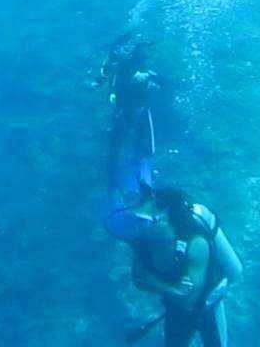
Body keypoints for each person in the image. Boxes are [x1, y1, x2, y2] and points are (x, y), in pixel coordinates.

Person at [112, 187, 243, 347]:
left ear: (163, 218)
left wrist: (159, 285)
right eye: (138, 220)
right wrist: (170, 289)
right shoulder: (143, 242)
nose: (141, 227)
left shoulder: (195, 242)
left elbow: (189, 295)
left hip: (206, 305)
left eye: (146, 220)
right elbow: (139, 279)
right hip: (175, 308)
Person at [102, 34, 170, 212]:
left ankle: (123, 188)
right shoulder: (123, 67)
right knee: (141, 151)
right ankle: (135, 191)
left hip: (129, 112)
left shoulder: (125, 67)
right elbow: (162, 83)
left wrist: (150, 77)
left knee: (127, 149)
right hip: (131, 112)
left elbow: (162, 82)